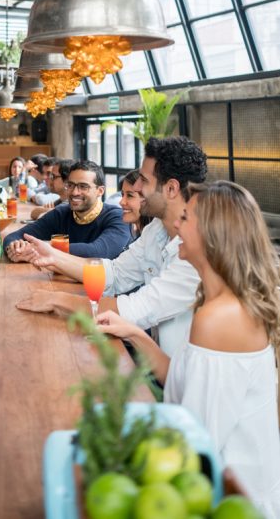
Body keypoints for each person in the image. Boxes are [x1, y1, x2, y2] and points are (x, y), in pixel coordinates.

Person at [97, 181, 280, 517]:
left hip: (233, 499)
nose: (176, 224)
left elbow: (198, 440)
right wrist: (135, 334)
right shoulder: (215, 302)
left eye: (186, 217)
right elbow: (180, 379)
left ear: (213, 235)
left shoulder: (219, 318)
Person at [17, 137, 207, 357]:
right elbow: (115, 273)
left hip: (178, 380)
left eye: (143, 180)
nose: (136, 186)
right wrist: (53, 256)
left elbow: (135, 310)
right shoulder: (157, 229)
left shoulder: (197, 251)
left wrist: (56, 299)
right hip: (157, 363)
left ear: (171, 188)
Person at [3, 160, 131, 261]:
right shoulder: (61, 214)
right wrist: (15, 248)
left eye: (83, 187)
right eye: (71, 185)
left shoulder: (118, 217)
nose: (75, 192)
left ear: (100, 191)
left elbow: (99, 251)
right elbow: (14, 236)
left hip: (106, 292)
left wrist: (42, 247)